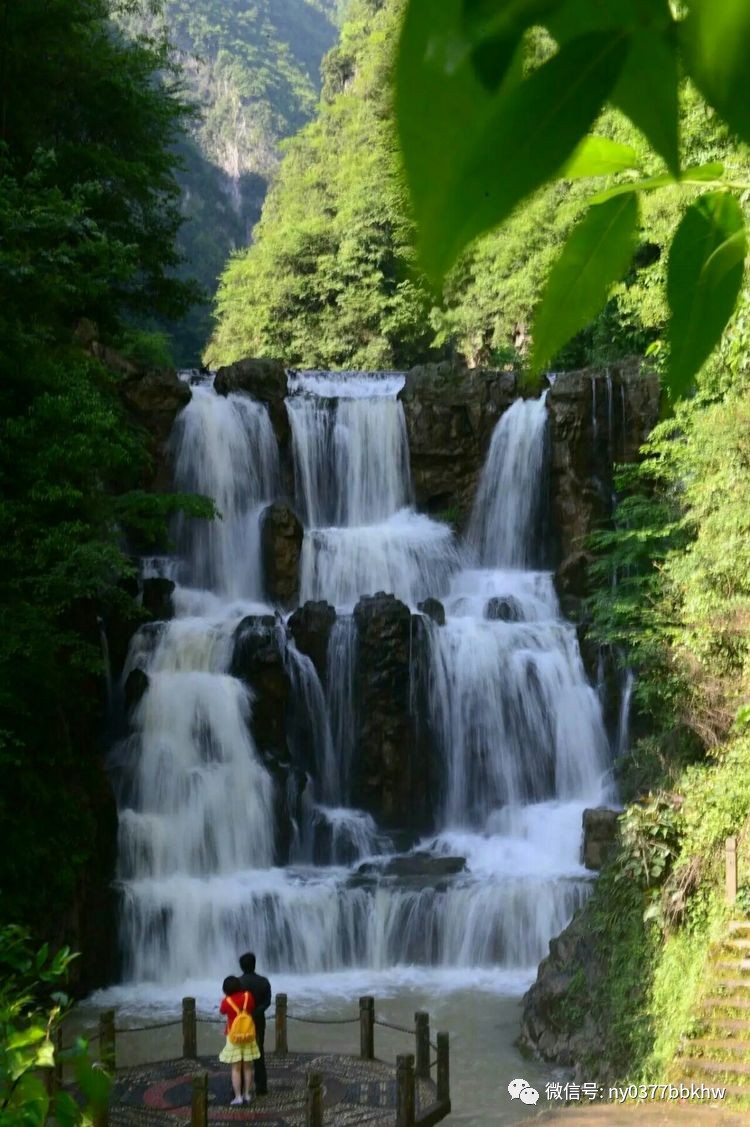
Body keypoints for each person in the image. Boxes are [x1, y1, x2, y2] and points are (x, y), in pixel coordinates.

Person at [219, 974, 260, 1106]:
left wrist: (226, 999)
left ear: (225, 990)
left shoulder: (227, 1001)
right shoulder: (249, 996)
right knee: (248, 1067)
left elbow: (222, 1011)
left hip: (233, 1037)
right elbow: (252, 1007)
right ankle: (247, 1094)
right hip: (248, 1035)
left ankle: (238, 1097)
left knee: (236, 1068)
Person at [238, 952, 271, 1097]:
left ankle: (240, 1087)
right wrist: (256, 1012)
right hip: (258, 1022)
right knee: (259, 1054)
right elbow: (267, 1002)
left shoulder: (237, 983)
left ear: (241, 966)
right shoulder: (263, 981)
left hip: (241, 1023)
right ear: (254, 964)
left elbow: (232, 1002)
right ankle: (261, 1087)